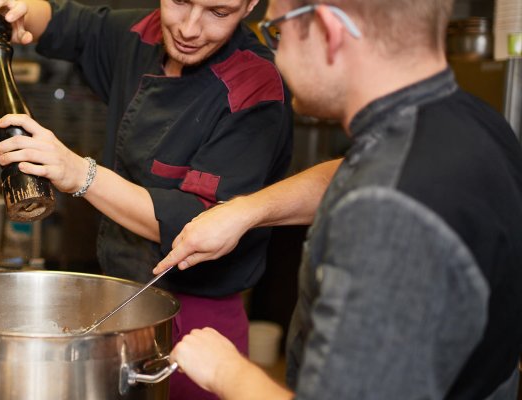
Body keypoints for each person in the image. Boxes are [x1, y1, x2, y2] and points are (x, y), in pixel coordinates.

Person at [153, 0, 522, 398]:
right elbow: (355, 169)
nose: (276, 54)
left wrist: (225, 371)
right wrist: (246, 211)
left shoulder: (386, 212)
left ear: (329, 32)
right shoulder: (468, 119)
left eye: (277, 32)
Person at [0, 0, 294, 397]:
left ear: (251, 5)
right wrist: (16, 10)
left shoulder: (255, 86)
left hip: (199, 322)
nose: (189, 28)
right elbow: (68, 24)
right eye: (180, 2)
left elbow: (196, 223)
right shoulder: (141, 33)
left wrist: (77, 174)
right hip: (118, 302)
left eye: (217, 12)